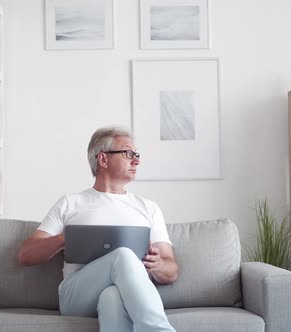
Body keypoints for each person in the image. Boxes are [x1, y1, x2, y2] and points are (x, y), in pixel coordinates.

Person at [18, 127, 178, 332]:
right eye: (129, 153)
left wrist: (157, 265)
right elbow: (26, 255)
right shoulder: (70, 203)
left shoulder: (148, 208)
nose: (136, 161)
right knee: (122, 255)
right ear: (103, 159)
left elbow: (171, 270)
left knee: (111, 295)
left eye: (137, 155)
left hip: (122, 295)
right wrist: (65, 239)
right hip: (76, 296)